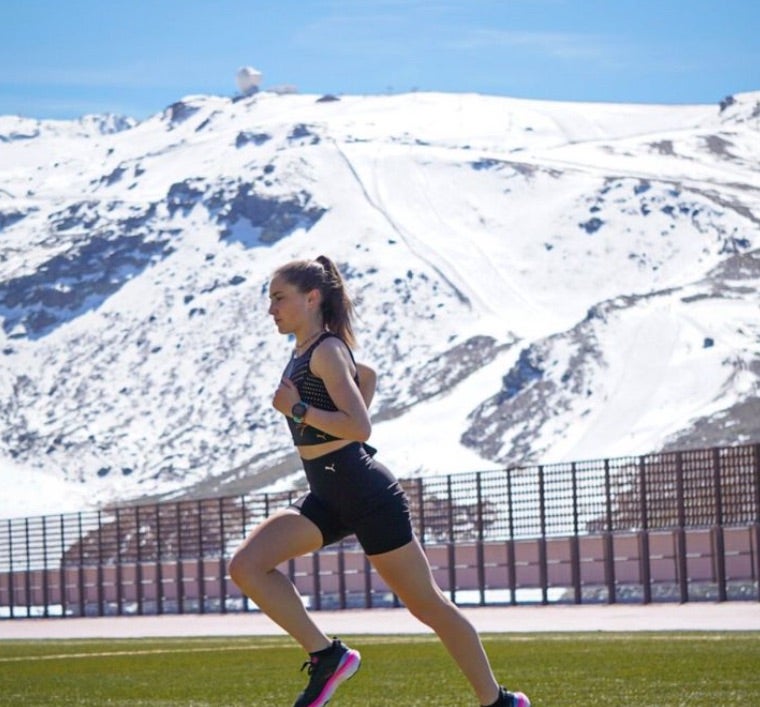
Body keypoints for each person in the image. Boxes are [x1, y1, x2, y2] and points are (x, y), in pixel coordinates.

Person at [229, 255, 530, 707]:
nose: (271, 309)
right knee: (247, 565)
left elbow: (359, 427)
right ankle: (327, 656)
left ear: (311, 298)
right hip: (328, 494)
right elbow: (366, 376)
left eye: (278, 298)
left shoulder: (325, 351)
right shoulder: (309, 351)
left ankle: (499, 701)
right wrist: (330, 394)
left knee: (427, 605)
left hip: (366, 495)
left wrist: (298, 410)